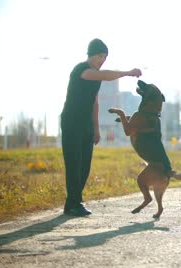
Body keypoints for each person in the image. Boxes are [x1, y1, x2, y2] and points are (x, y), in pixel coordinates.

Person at [61, 38, 142, 216]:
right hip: (71, 122)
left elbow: (94, 102)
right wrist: (127, 72)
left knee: (85, 165)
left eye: (105, 57)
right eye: (100, 56)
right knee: (74, 163)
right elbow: (104, 75)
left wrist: (96, 129)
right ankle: (74, 203)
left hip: (86, 124)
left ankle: (72, 203)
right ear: (91, 54)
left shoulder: (95, 75)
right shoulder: (81, 70)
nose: (103, 60)